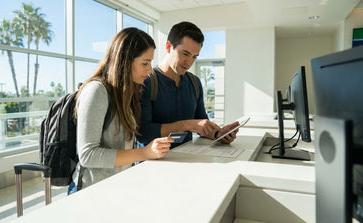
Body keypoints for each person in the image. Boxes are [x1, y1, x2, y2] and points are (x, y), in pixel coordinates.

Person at [69, 27, 173, 194]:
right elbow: (88, 155)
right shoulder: (97, 91)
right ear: (125, 60)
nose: (149, 70)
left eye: (150, 63)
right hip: (91, 191)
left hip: (117, 186)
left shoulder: (126, 93)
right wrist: (145, 153)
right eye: (145, 63)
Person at [138, 21, 239, 149]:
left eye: (194, 57)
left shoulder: (194, 83)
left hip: (186, 160)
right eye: (185, 54)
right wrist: (185, 125)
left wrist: (218, 134)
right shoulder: (146, 81)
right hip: (150, 165)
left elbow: (201, 124)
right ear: (168, 47)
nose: (189, 62)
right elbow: (142, 133)